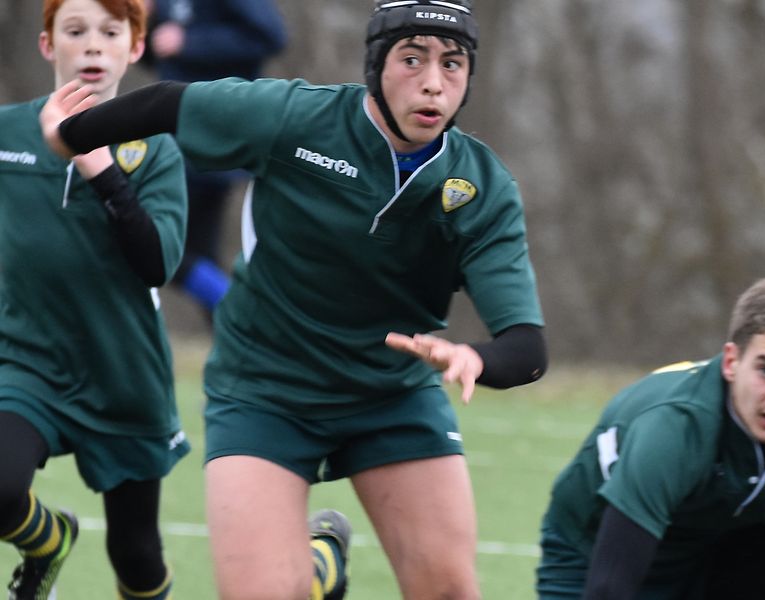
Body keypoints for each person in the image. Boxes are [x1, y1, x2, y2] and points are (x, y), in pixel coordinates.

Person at [39, 0, 549, 597]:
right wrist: (69, 134)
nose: (433, 82)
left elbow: (527, 346)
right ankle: (317, 572)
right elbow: (171, 103)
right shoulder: (295, 117)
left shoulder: (479, 188)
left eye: (453, 65)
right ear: (377, 68)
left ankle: (318, 568)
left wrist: (477, 359)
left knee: (449, 592)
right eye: (412, 60)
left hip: (391, 393)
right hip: (265, 389)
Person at [0, 0, 188, 598]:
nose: (92, 46)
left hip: (123, 374)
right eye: (75, 31)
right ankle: (47, 540)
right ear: (48, 45)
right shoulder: (5, 134)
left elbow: (156, 263)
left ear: (135, 48)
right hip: (28, 363)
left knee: (135, 555)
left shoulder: (157, 149)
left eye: (111, 32)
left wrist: (101, 168)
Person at [538, 277, 765, 600]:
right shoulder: (674, 427)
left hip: (712, 549)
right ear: (732, 361)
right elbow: (609, 590)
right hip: (591, 556)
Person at [144, 0, 286, 318]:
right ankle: (242, 330)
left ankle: (243, 320)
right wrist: (145, 23)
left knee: (163, 248)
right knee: (188, 254)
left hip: (213, 135)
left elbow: (271, 36)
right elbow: (161, 53)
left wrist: (190, 42)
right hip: (174, 132)